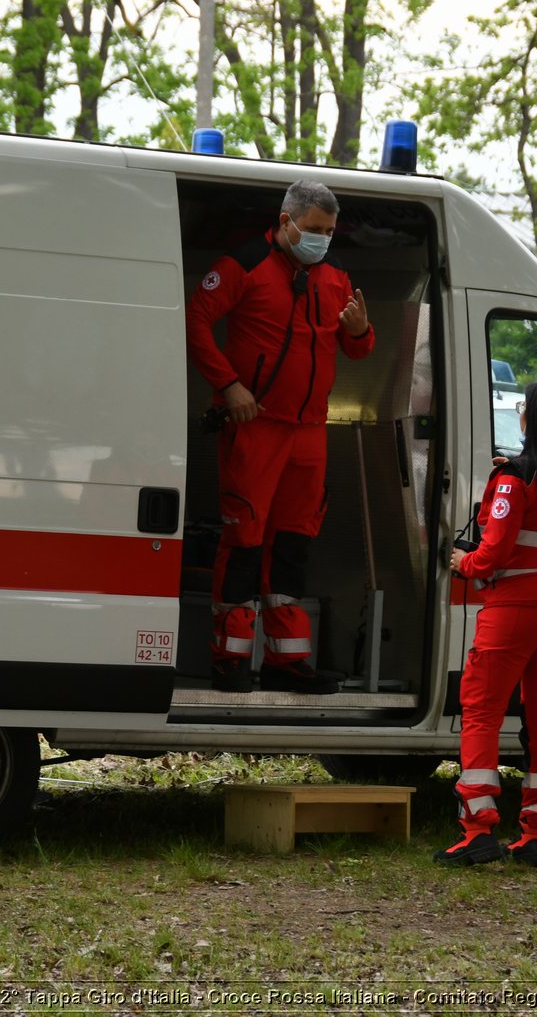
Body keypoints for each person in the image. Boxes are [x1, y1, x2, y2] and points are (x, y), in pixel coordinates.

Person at [185, 180, 375, 694]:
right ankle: (228, 659)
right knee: (244, 541)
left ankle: (286, 661)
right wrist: (228, 387)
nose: (322, 239)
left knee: (293, 546)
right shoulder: (243, 264)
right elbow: (196, 320)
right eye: (314, 230)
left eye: (330, 232)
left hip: (310, 432)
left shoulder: (336, 278)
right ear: (286, 221)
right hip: (257, 426)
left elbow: (357, 351)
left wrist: (359, 330)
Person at [435, 379, 537, 867]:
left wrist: (459, 562)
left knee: (483, 712)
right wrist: (505, 481)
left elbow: (493, 555)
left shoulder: (513, 479)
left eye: (525, 407)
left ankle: (478, 829)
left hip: (515, 613)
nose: (520, 412)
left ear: (536, 418)